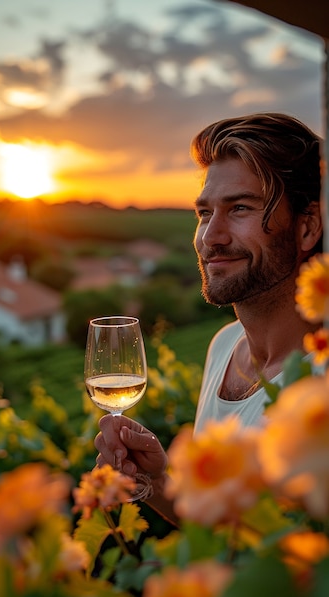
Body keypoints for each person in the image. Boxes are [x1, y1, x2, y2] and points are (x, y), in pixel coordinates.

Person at [94, 112, 323, 523]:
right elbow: (223, 539)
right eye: (203, 213)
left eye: (239, 208)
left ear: (307, 228)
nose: (210, 237)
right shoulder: (223, 347)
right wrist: (155, 482)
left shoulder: (319, 384)